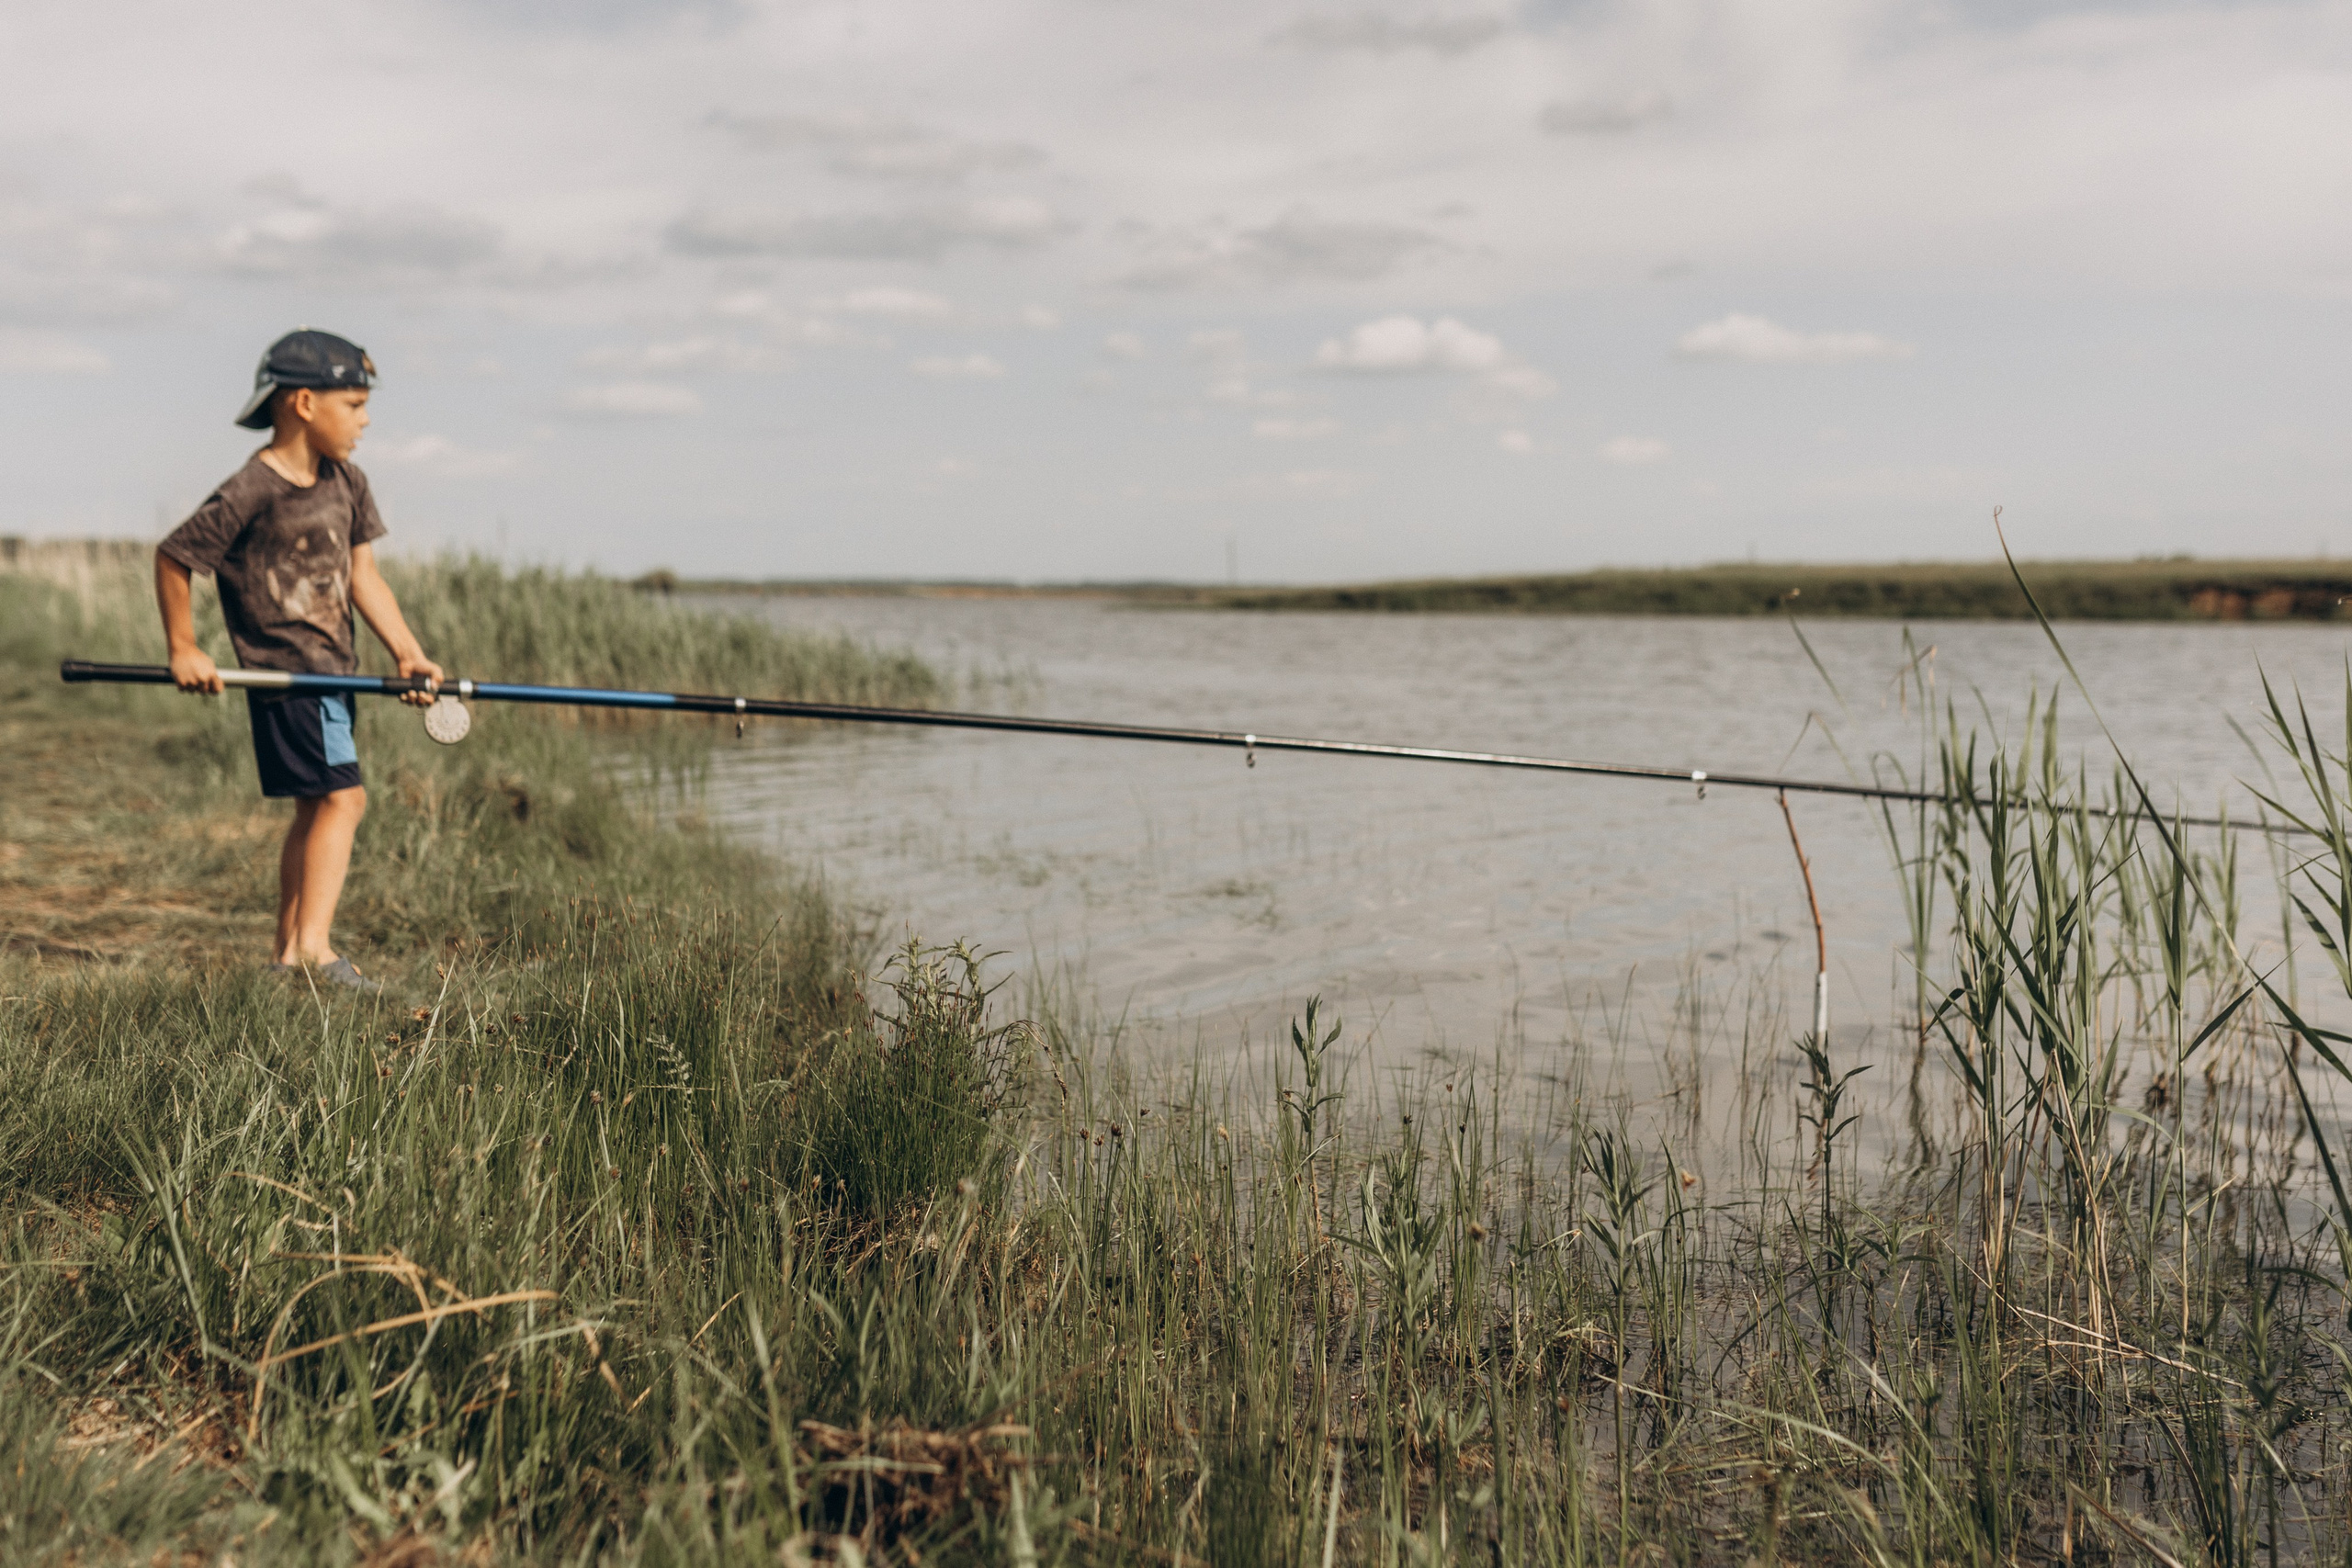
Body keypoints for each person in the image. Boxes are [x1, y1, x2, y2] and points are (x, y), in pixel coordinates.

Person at [154, 329, 444, 991]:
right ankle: (314, 949)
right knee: (345, 799)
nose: (365, 421)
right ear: (305, 403)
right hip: (288, 676)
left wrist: (408, 653)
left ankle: (287, 955)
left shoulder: (347, 481)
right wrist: (183, 646)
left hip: (332, 672)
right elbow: (175, 556)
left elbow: (364, 578)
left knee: (316, 807)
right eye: (355, 404)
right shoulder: (253, 487)